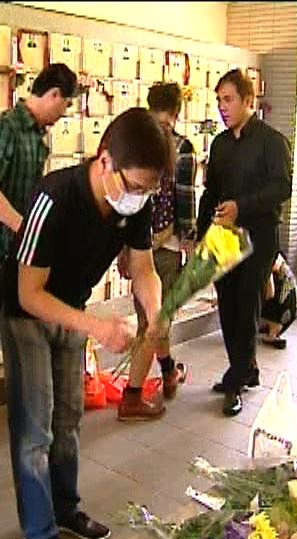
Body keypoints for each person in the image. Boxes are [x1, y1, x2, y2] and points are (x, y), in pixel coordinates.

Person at [0, 107, 169, 539]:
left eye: (148, 189)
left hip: (71, 308)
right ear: (105, 160)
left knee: (70, 417)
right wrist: (97, 327)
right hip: (28, 313)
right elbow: (27, 294)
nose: (138, 198)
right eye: (133, 186)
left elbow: (144, 269)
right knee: (36, 426)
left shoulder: (136, 203)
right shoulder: (54, 198)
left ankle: (66, 508)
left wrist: (154, 310)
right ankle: (39, 530)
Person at [0, 63, 78, 451]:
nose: (64, 114)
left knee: (22, 336)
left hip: (24, 254)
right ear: (53, 94)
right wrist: (25, 226)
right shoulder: (6, 128)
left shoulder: (38, 135)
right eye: (65, 105)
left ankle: (25, 412)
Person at [196, 68, 292, 417]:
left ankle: (236, 380)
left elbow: (281, 188)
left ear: (248, 101)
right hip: (223, 235)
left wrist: (242, 207)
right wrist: (200, 231)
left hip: (259, 235)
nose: (223, 107)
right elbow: (212, 191)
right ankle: (245, 367)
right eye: (219, 100)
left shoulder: (271, 141)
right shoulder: (220, 144)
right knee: (226, 302)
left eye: (229, 99)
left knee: (245, 305)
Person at [116, 82, 197, 420]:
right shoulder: (182, 147)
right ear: (177, 112)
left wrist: (125, 248)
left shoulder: (138, 144)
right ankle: (133, 397)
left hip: (142, 245)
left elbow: (123, 201)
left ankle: (167, 373)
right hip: (160, 246)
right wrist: (188, 239)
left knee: (151, 320)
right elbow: (185, 198)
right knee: (154, 321)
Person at [260, 251, 297, 349]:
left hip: (283, 307)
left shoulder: (267, 263)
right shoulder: (277, 257)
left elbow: (270, 293)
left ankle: (272, 333)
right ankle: (273, 328)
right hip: (293, 308)